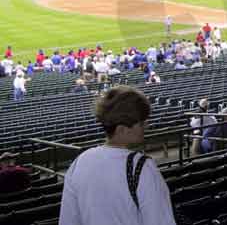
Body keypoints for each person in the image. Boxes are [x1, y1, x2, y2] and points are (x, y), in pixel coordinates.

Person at [59, 86, 177, 225]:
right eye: (141, 123)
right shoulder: (142, 166)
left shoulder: (80, 162)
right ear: (122, 129)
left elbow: (68, 220)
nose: (146, 126)